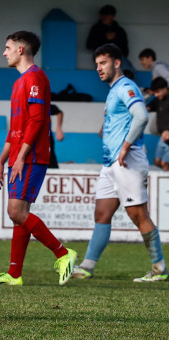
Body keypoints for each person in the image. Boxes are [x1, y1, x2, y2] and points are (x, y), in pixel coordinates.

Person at [0, 31, 77, 286]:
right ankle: (14, 273)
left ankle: (63, 253)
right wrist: (3, 159)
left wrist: (22, 156)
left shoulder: (35, 78)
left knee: (16, 211)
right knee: (19, 213)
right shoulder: (19, 82)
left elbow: (37, 121)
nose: (4, 52)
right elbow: (15, 129)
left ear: (21, 50)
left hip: (32, 156)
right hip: (18, 155)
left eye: (7, 48)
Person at [70, 44, 167, 282]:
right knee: (102, 214)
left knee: (137, 215)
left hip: (127, 159)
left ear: (116, 63)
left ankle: (159, 269)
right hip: (110, 163)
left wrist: (125, 146)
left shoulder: (125, 86)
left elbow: (142, 116)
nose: (98, 69)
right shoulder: (114, 90)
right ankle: (87, 267)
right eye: (96, 64)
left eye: (103, 63)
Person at [148, 77, 169, 171]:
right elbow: (146, 108)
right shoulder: (158, 100)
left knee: (165, 163)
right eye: (154, 93)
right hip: (163, 138)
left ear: (165, 88)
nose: (156, 95)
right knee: (157, 161)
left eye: (158, 92)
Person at [48, 104, 64, 169]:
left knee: (50, 156)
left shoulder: (44, 104)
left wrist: (59, 129)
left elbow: (59, 112)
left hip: (47, 135)